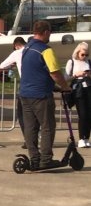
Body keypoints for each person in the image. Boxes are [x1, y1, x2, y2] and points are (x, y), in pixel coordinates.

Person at [19, 21, 71, 171]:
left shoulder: (27, 48)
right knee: (47, 127)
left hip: (25, 94)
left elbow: (35, 72)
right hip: (40, 96)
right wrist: (65, 87)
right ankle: (46, 159)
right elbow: (55, 73)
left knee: (30, 127)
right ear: (47, 32)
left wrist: (53, 87)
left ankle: (34, 158)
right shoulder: (45, 50)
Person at [64, 41, 91, 148]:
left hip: (88, 89)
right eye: (82, 54)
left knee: (89, 115)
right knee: (83, 114)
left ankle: (86, 138)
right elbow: (66, 78)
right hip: (78, 91)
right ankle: (81, 138)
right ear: (77, 52)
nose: (84, 57)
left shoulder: (88, 62)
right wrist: (76, 75)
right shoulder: (71, 62)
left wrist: (88, 75)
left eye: (86, 54)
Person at [0, 36, 26, 138]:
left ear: (16, 46)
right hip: (40, 84)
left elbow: (2, 65)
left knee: (23, 114)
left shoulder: (17, 53)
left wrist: (12, 65)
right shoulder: (35, 50)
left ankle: (29, 140)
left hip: (25, 85)